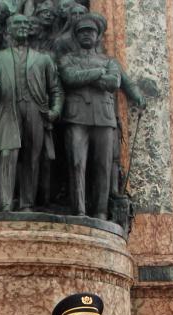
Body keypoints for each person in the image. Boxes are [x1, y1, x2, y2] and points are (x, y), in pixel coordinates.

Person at [57, 14, 143, 219]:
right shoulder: (68, 59)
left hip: (104, 119)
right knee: (77, 164)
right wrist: (97, 73)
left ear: (98, 36)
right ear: (76, 36)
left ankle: (101, 211)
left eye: (91, 32)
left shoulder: (110, 61)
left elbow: (114, 82)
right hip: (77, 117)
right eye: (82, 32)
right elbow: (69, 77)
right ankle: (79, 210)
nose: (87, 35)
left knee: (103, 167)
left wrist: (86, 76)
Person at [0, 14, 63, 212]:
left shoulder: (43, 59)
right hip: (9, 108)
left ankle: (27, 203)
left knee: (32, 158)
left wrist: (55, 110)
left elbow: (56, 89)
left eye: (26, 23)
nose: (23, 26)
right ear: (8, 29)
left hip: (36, 111)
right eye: (17, 23)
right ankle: (6, 203)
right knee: (8, 153)